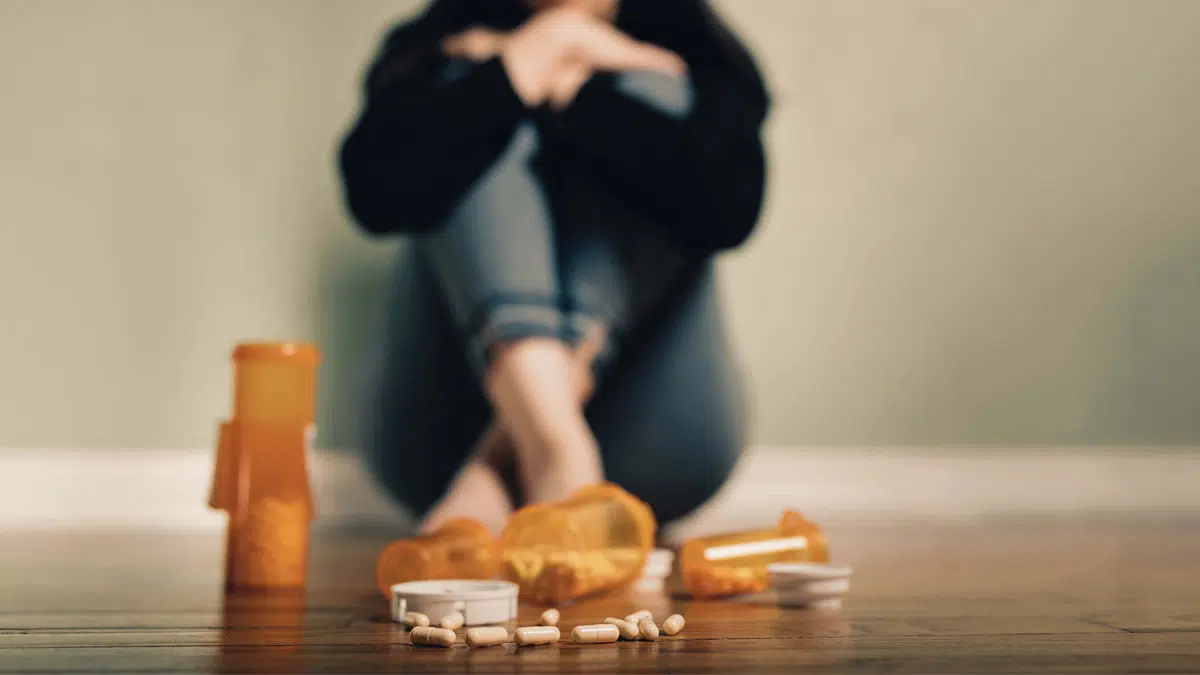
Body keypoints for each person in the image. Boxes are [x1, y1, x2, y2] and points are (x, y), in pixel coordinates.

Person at [338, 0, 770, 535]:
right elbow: (376, 197)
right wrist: (527, 60)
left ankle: (502, 464)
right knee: (458, 101)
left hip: (652, 442)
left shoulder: (689, 45)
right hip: (434, 438)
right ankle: (554, 446)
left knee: (660, 95)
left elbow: (727, 211)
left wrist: (573, 89)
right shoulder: (442, 37)